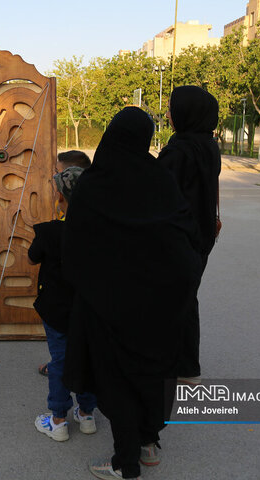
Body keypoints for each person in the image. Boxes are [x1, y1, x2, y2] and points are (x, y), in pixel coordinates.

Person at [61, 107, 201, 479]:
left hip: (108, 305)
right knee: (153, 375)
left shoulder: (94, 184)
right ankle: (148, 443)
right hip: (160, 304)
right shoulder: (160, 179)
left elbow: (74, 245)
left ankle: (126, 462)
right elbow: (183, 234)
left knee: (116, 380)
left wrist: (91, 287)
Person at [30, 166, 98, 442]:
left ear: (60, 197)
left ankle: (58, 420)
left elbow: (32, 258)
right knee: (87, 358)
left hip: (57, 310)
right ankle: (87, 414)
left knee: (59, 360)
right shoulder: (99, 232)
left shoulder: (49, 232)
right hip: (88, 309)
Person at [159, 86, 222, 384]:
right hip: (202, 234)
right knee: (187, 299)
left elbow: (160, 197)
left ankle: (173, 366)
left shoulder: (178, 151)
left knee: (171, 302)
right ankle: (187, 367)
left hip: (177, 238)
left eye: (172, 108)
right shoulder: (208, 145)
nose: (169, 114)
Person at [38, 150, 92, 378]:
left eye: (58, 174)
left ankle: (59, 411)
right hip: (82, 298)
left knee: (64, 338)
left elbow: (35, 255)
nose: (54, 180)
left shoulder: (55, 229)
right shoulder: (93, 219)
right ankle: (85, 408)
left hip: (63, 298)